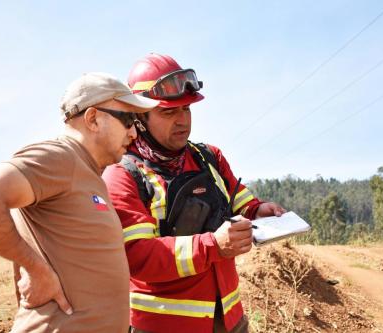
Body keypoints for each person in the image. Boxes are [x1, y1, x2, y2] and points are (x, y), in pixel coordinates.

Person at [0, 72, 159, 333]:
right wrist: (37, 271)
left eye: (137, 123)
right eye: (128, 120)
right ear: (93, 119)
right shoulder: (59, 157)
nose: (134, 133)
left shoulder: (89, 173)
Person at [102, 54, 286, 333]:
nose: (182, 121)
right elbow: (137, 257)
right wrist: (212, 244)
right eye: (168, 112)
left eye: (186, 109)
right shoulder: (123, 174)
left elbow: (240, 202)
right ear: (139, 117)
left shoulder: (209, 157)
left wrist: (258, 210)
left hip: (229, 319)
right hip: (163, 326)